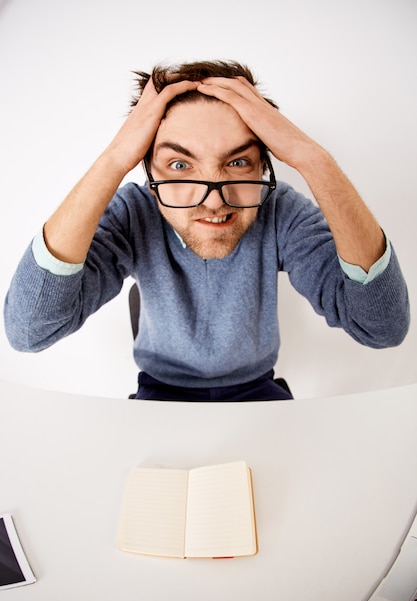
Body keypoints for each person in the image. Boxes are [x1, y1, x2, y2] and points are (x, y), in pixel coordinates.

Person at [3, 60, 410, 401]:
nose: (213, 201)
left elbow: (382, 327)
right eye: (180, 166)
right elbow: (29, 331)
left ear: (264, 166)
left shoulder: (278, 208)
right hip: (159, 391)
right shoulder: (134, 211)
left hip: (257, 389)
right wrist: (112, 161)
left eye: (238, 164)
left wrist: (313, 160)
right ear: (147, 171)